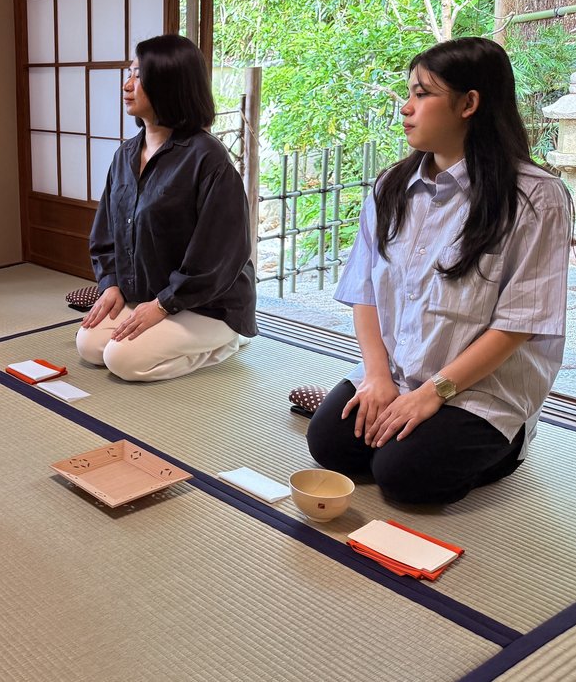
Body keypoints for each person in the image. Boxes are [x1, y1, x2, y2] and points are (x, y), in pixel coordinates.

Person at [306, 37, 571, 504]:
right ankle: (402, 427)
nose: (406, 108)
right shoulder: (391, 187)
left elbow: (518, 323)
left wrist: (433, 392)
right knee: (329, 444)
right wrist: (377, 377)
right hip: (396, 372)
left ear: (469, 104)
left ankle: (511, 444)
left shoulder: (535, 197)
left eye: (422, 94)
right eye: (409, 93)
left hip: (478, 387)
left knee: (403, 475)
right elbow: (365, 292)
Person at [77, 34, 257, 380]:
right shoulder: (125, 155)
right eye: (129, 74)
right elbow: (105, 234)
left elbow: (219, 255)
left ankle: (229, 341)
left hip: (208, 305)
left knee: (122, 359)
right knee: (90, 345)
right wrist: (111, 285)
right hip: (148, 297)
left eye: (139, 76)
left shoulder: (208, 159)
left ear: (169, 84)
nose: (127, 85)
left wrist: (163, 305)